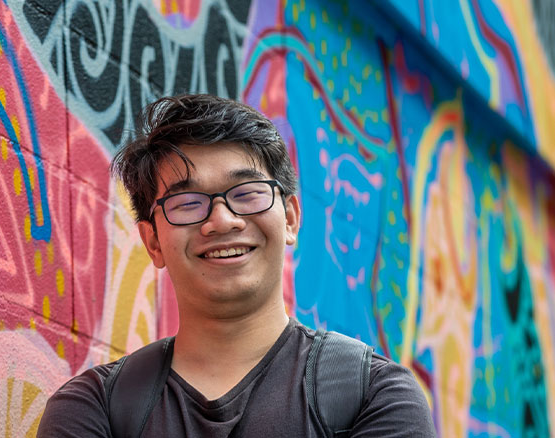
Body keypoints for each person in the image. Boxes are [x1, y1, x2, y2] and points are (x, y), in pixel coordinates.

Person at [37, 94, 436, 437]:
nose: (222, 221)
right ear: (153, 241)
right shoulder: (93, 409)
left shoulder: (376, 395)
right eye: (187, 204)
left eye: (247, 193)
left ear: (291, 218)